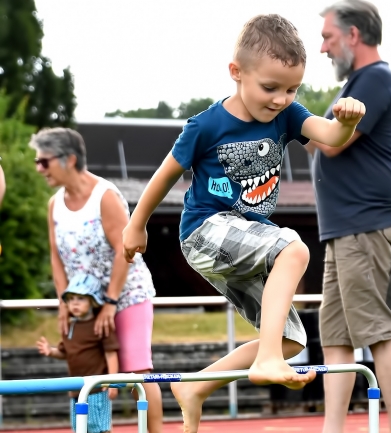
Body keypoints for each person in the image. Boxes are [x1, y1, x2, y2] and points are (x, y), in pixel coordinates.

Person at [121, 14, 365, 433]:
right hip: (205, 231)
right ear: (236, 73)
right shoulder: (207, 125)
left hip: (242, 243)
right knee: (293, 248)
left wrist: (346, 121)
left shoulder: (287, 116)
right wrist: (136, 224)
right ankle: (265, 358)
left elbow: (330, 136)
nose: (280, 99)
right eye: (270, 88)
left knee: (292, 340)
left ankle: (196, 387)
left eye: (292, 89)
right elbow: (164, 176)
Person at [305, 1, 391, 432]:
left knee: (378, 332)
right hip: (343, 231)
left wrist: (288, 108)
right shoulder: (355, 85)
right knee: (335, 338)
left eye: (329, 37)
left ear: (353, 35)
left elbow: (330, 143)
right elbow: (319, 141)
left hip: (366, 228)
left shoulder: (375, 80)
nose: (323, 47)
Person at [30, 128, 163, 433]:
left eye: (44, 161)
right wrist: (64, 304)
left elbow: (124, 251)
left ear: (69, 159)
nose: (38, 168)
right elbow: (56, 258)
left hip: (127, 294)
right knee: (87, 373)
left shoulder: (105, 197)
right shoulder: (54, 204)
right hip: (85, 303)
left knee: (136, 372)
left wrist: (111, 303)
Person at [36, 274, 120, 433]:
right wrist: (51, 351)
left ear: (92, 301)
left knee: (99, 428)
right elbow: (65, 353)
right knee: (79, 428)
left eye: (81, 298)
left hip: (97, 388)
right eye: (71, 298)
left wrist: (112, 382)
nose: (75, 302)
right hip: (76, 388)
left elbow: (111, 354)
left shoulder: (100, 325)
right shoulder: (71, 327)